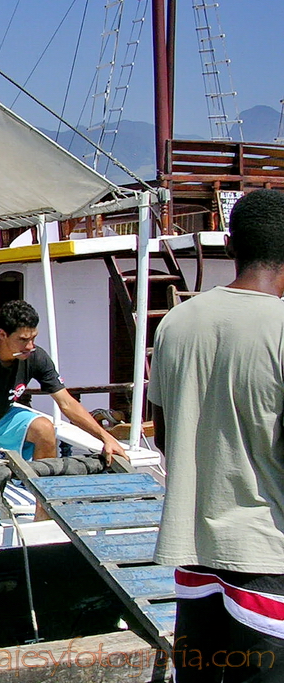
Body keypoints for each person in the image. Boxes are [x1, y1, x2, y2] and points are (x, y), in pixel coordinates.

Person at [149, 189, 284, 681]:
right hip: (267, 559)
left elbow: (164, 436)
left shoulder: (176, 322)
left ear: (230, 245)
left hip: (194, 558)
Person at [0, 299, 126, 518]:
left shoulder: (35, 356)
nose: (30, 346)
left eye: (33, 338)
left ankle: (42, 516)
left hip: (1, 418)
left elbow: (66, 403)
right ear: (2, 334)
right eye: (23, 339)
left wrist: (105, 438)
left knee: (44, 429)